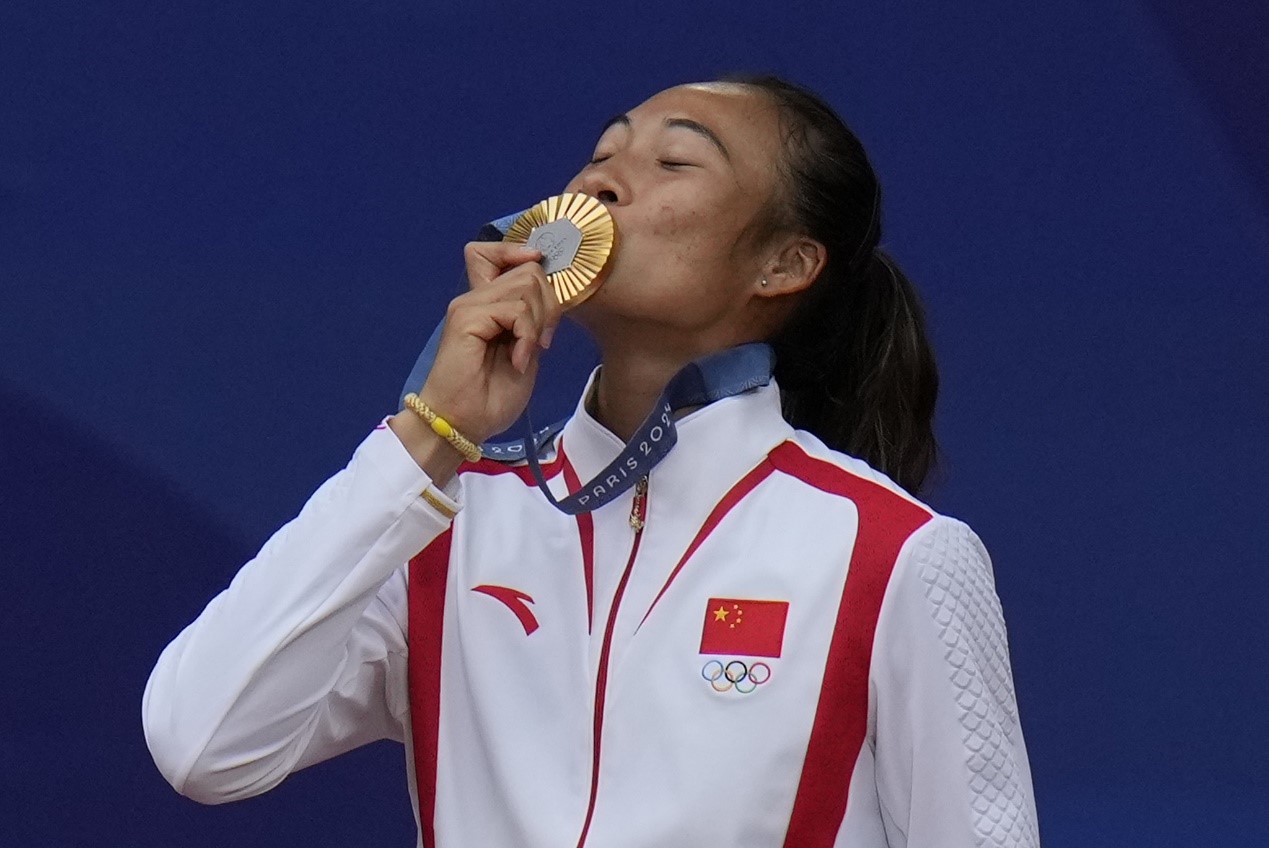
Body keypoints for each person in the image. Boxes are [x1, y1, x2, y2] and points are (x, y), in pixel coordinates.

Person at [143, 75, 1040, 847]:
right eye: (602, 154)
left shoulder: (890, 553)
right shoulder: (449, 520)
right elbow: (205, 745)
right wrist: (428, 438)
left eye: (674, 162)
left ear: (782, 263)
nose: (605, 180)